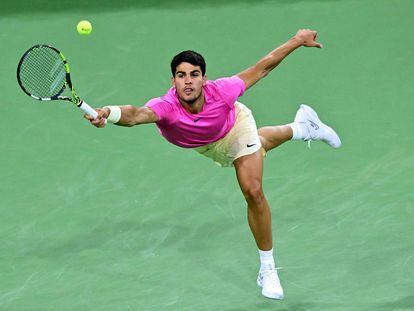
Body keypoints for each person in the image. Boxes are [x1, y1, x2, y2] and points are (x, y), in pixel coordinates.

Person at [86, 29, 341, 300]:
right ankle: (302, 127)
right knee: (260, 144)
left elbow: (263, 67)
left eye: (194, 75)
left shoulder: (222, 91)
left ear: (204, 79)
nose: (188, 82)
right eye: (181, 75)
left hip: (236, 125)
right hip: (207, 146)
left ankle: (267, 269)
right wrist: (109, 114)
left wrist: (297, 40)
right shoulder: (166, 106)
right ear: (173, 80)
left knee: (252, 190)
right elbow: (136, 114)